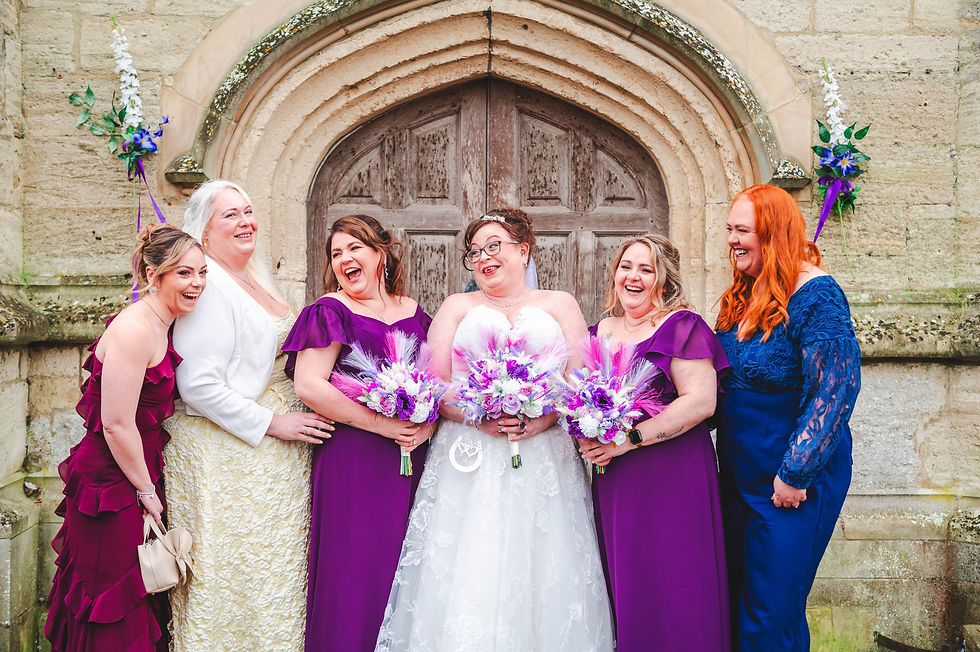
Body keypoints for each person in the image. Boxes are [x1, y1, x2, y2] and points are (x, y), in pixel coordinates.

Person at [376, 208, 613, 652]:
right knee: (471, 559)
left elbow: (581, 382)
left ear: (523, 251)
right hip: (470, 453)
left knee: (543, 560)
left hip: (543, 453)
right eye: (475, 252)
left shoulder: (560, 304)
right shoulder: (457, 306)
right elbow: (435, 383)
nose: (483, 257)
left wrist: (543, 418)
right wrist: (477, 414)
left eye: (493, 246)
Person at [164, 180, 333, 650]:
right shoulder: (208, 285)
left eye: (249, 211)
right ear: (203, 230)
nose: (246, 222)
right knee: (243, 578)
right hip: (234, 457)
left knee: (275, 576)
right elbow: (197, 385)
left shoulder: (253, 278)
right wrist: (272, 423)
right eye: (231, 215)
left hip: (273, 462)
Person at [44, 224, 206, 651]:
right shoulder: (135, 330)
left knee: (137, 590)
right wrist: (146, 491)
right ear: (153, 275)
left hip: (134, 472)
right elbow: (115, 423)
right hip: (109, 484)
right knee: (112, 598)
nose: (197, 283)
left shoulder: (162, 322)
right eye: (184, 273)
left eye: (202, 272)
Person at [714, 184, 861, 651]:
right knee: (735, 595)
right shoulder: (746, 291)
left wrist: (796, 472)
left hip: (789, 475)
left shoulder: (817, 294)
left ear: (772, 232)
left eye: (743, 231)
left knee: (772, 609)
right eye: (730, 229)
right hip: (738, 472)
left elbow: (835, 389)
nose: (732, 240)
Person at [282, 214, 434, 650]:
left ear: (381, 253)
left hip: (411, 458)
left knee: (406, 562)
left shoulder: (414, 312)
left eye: (355, 248)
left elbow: (437, 379)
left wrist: (426, 427)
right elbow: (309, 385)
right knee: (354, 566)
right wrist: (383, 425)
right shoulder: (329, 311)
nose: (344, 259)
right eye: (336, 253)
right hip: (354, 459)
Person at [579, 234, 731, 651]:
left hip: (673, 473)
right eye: (626, 267)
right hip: (617, 477)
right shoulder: (599, 331)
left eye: (646, 270)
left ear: (664, 280)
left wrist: (630, 439)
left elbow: (701, 401)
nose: (633, 277)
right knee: (630, 577)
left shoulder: (682, 327)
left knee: (677, 576)